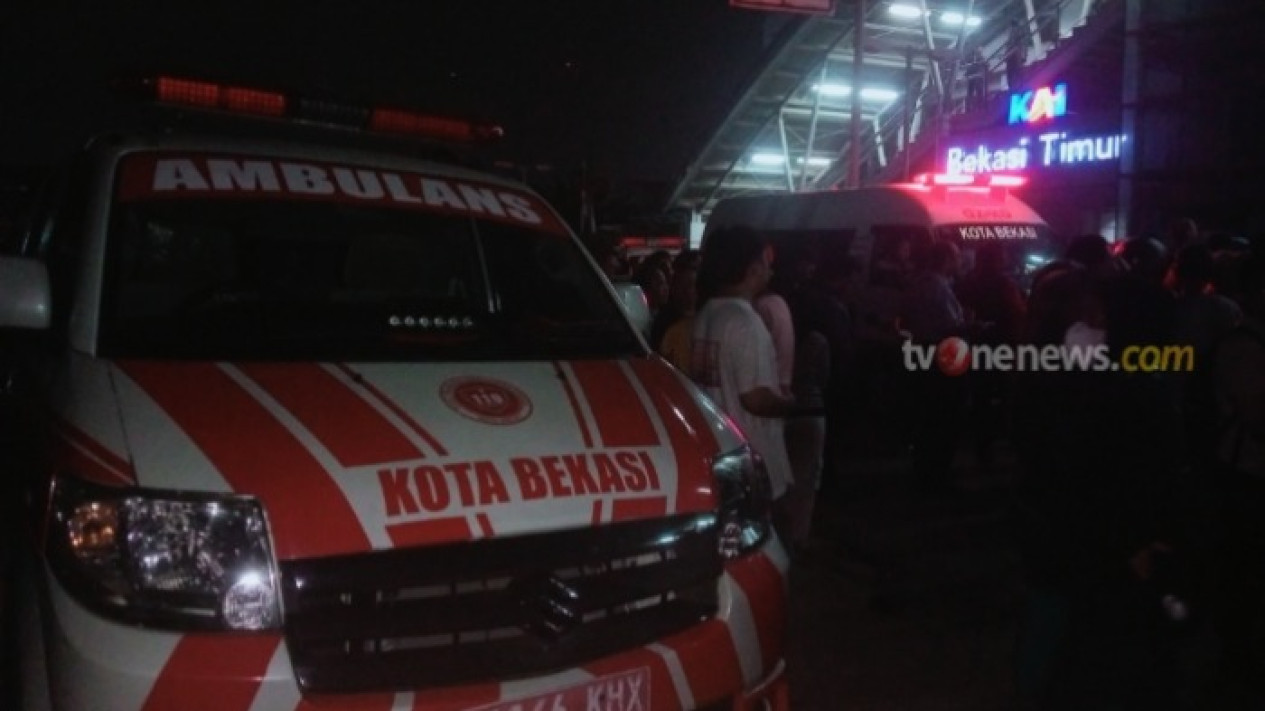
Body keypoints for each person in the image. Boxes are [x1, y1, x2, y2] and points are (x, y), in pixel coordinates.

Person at [691, 226, 797, 534]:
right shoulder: (744, 322)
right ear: (751, 268)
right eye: (765, 261)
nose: (770, 269)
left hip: (724, 452)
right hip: (756, 458)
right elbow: (755, 398)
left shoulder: (706, 314)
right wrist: (792, 404)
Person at [1006, 19, 1029, 91]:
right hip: (1013, 54)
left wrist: (1024, 55)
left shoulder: (1016, 31)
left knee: (1014, 72)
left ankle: (1016, 86)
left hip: (1014, 54)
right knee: (1014, 72)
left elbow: (1022, 43)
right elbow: (1023, 44)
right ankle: (1016, 86)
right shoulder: (1014, 32)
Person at [965, 46, 988, 111]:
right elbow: (970, 67)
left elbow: (985, 65)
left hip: (978, 77)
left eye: (979, 50)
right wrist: (967, 75)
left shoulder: (982, 58)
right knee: (970, 93)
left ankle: (979, 107)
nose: (978, 51)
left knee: (979, 92)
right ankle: (969, 108)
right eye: (977, 50)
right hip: (972, 77)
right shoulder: (972, 58)